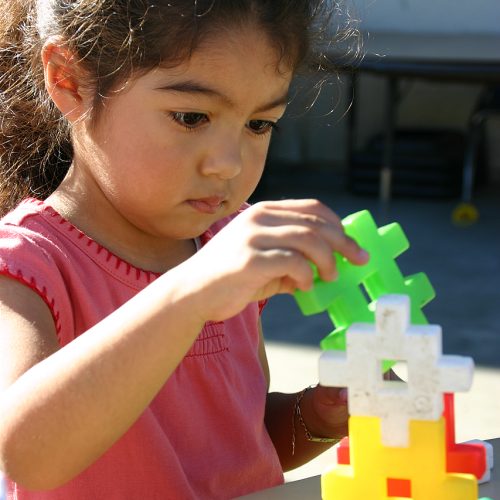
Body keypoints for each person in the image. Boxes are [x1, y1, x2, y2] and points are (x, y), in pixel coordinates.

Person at [0, 1, 367, 498]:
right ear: (70, 80)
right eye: (192, 117)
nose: (229, 163)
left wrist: (320, 415)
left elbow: (230, 450)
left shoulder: (220, 248)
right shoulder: (28, 263)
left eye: (259, 124)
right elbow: (27, 456)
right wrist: (192, 291)